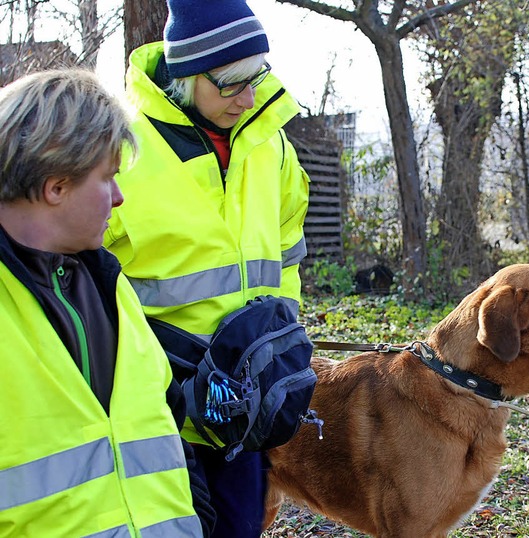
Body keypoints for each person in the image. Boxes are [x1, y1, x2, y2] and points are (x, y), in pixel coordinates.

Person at [103, 0, 311, 536]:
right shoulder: (121, 147)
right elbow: (84, 271)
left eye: (257, 77)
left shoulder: (273, 145)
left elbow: (287, 249)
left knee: (241, 526)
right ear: (185, 74)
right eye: (230, 83)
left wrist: (279, 342)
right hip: (159, 403)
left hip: (245, 399)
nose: (248, 98)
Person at [0, 69, 215, 537]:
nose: (119, 199)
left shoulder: (109, 283)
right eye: (108, 178)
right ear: (55, 185)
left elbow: (166, 420)